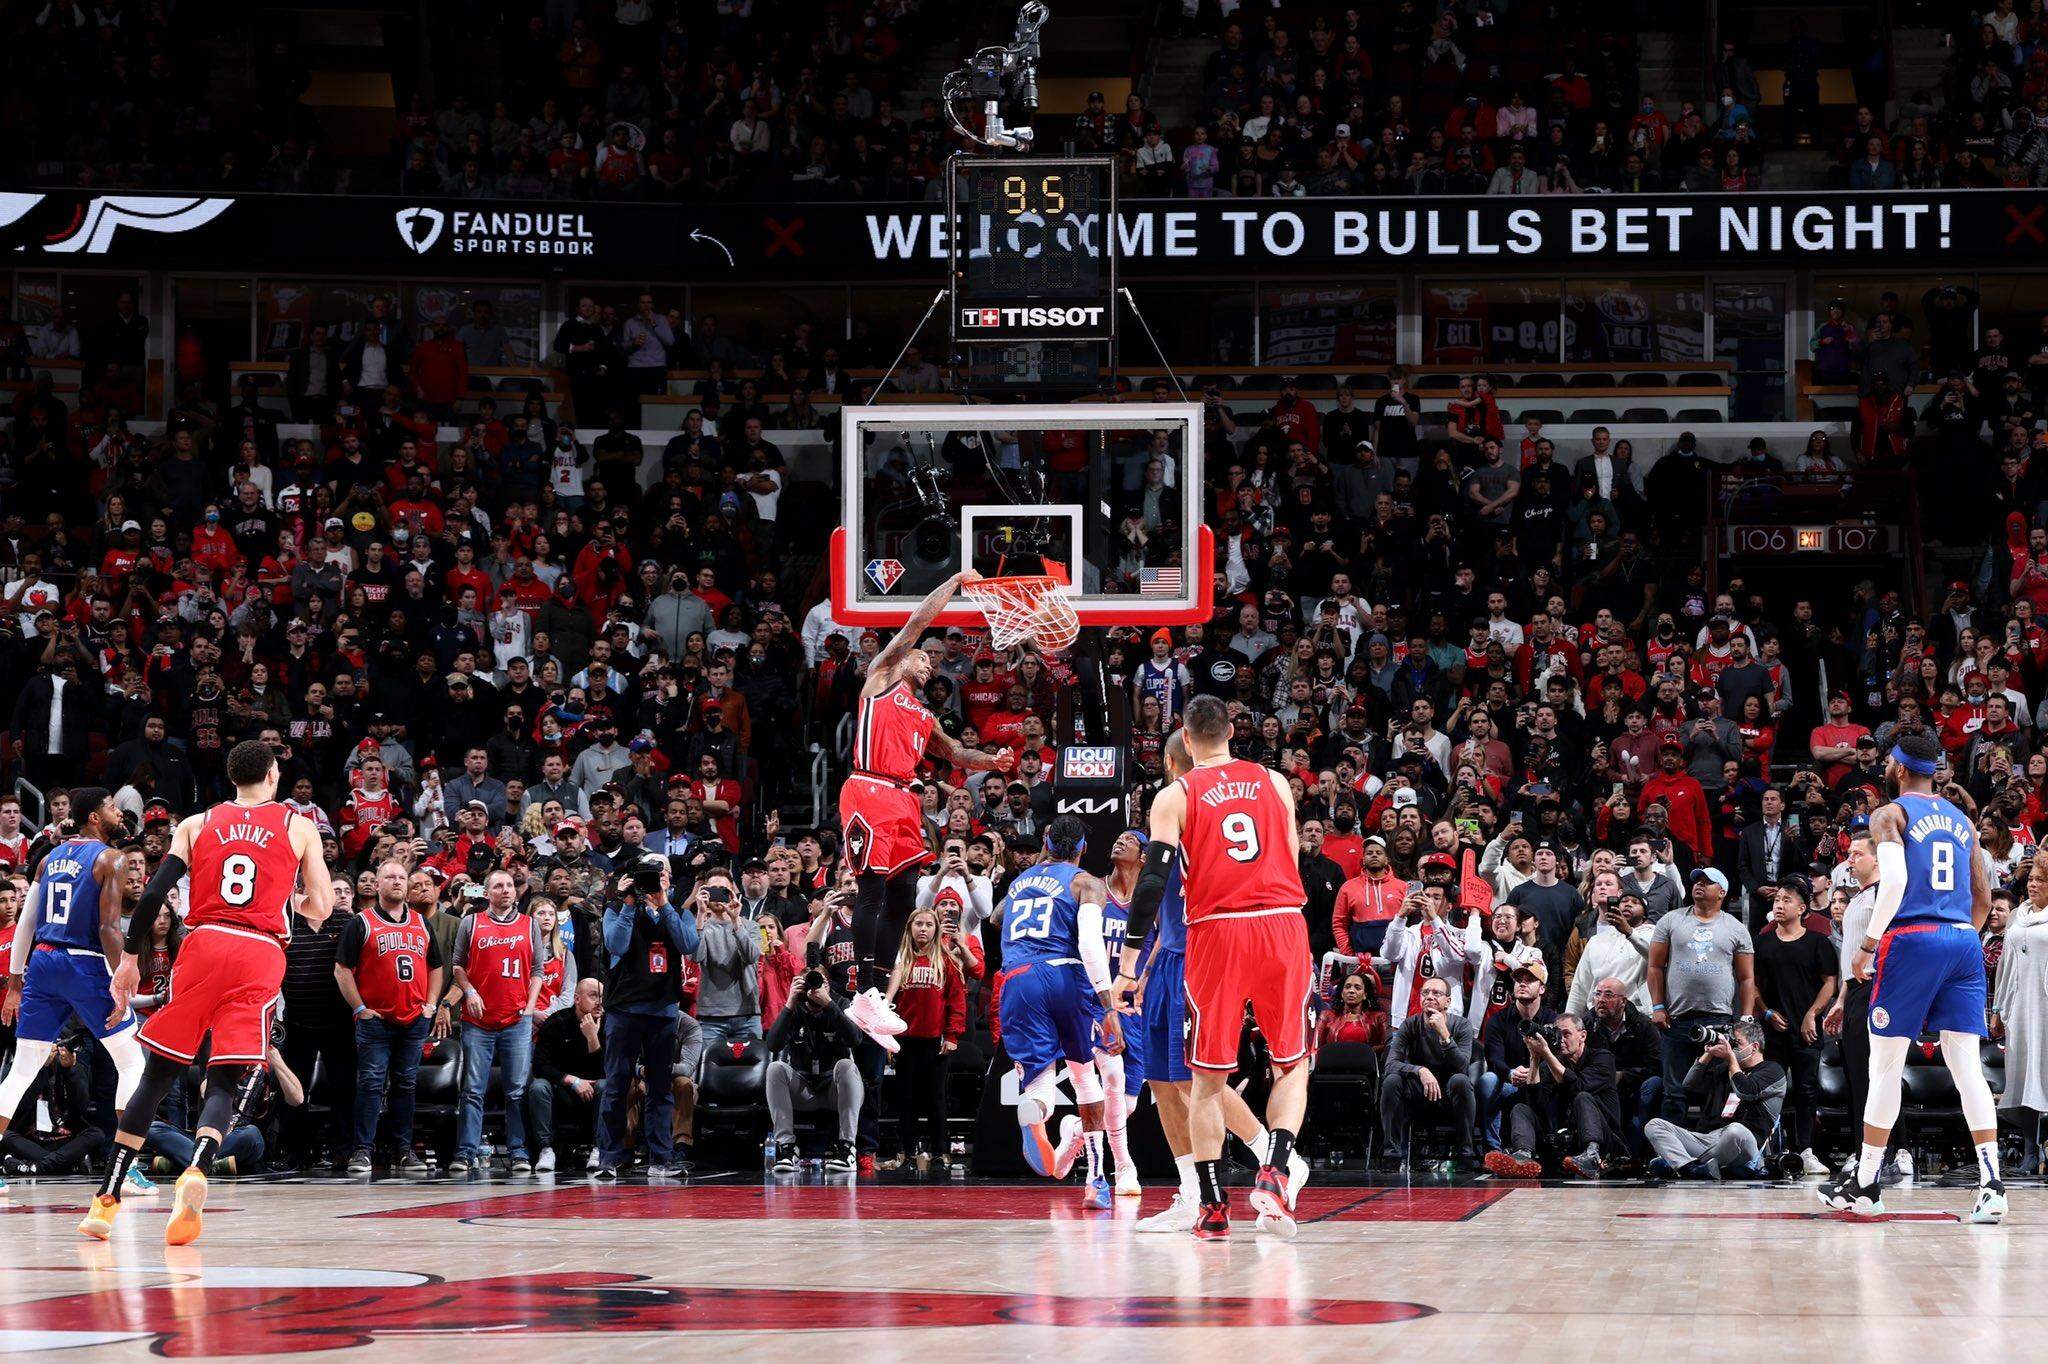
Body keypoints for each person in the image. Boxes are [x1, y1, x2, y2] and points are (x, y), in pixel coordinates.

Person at [87, 739, 336, 1244]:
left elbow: (155, 891)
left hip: (203, 944)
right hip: (259, 951)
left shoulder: (196, 823)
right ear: (272, 777)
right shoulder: (298, 825)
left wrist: (131, 959)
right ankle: (197, 1171)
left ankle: (106, 1201)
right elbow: (324, 907)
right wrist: (289, 904)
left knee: (156, 1077)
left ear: (231, 778)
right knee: (224, 1079)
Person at [1116, 694, 1313, 1241]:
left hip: (1215, 932)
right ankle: (1275, 1167)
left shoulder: (1176, 794)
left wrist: (1129, 963)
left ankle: (1211, 1204)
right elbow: (1291, 856)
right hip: (1280, 921)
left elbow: (1152, 882)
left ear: (1183, 733)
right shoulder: (1274, 781)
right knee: (1290, 1065)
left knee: (1203, 1082)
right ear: (1232, 727)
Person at [1819, 730, 2005, 1223]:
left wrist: (1867, 944)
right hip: (1963, 938)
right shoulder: (1964, 820)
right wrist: (1957, 939)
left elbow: (1896, 881)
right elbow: (1983, 895)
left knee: (1885, 1064)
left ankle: (1867, 1182)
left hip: (1911, 937)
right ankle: (1992, 1185)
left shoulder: (1890, 813)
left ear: (1898, 768)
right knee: (1966, 1065)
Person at [837, 571, 1010, 1042]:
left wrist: (992, 758)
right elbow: (917, 622)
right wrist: (955, 581)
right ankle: (865, 992)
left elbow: (956, 754)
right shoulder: (882, 678)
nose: (929, 664)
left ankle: (880, 998)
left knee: (903, 892)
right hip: (869, 786)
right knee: (871, 891)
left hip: (904, 799)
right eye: (923, 657)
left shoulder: (924, 713)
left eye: (933, 663)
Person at [0, 789, 150, 1198]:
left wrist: (15, 983)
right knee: (132, 1062)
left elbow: (27, 923)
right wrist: (122, 976)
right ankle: (127, 1168)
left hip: (44, 962)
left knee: (22, 1069)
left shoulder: (49, 859)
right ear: (95, 818)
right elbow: (107, 929)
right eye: (111, 806)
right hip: (83, 962)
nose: (119, 811)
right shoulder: (111, 858)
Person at [996, 815, 1122, 1210]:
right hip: (1065, 975)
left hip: (1018, 977)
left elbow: (996, 917)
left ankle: (1037, 1108)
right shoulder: (1087, 882)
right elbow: (1089, 945)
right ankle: (1097, 1181)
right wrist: (1107, 1004)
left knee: (1039, 1080)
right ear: (1083, 848)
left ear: (1047, 840)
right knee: (1086, 1077)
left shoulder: (1019, 882)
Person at [332, 858, 443, 1176]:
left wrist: (431, 1004)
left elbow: (436, 966)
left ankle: (403, 1150)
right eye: (389, 876)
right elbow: (342, 970)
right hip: (375, 1021)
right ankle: (363, 1150)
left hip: (414, 1019)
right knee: (370, 1083)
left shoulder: (422, 923)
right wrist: (359, 1008)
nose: (396, 881)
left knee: (406, 1085)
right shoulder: (361, 922)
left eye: (401, 877)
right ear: (377, 883)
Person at [594, 853, 699, 1179]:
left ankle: (660, 1160)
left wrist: (665, 904)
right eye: (648, 876)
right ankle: (608, 1158)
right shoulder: (615, 909)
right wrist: (627, 902)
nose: (655, 881)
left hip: (663, 1011)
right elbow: (616, 945)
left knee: (660, 1088)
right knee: (616, 1085)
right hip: (624, 1010)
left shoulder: (679, 913)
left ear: (670, 880)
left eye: (661, 874)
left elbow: (688, 945)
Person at [1820, 831, 1909, 1184]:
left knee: (1883, 1073)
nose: (1850, 860)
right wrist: (1841, 1000)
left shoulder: (1887, 895)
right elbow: (1851, 954)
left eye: (1857, 854)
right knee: (1860, 1075)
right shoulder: (1856, 899)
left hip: (1881, 988)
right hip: (1855, 991)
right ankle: (1864, 1151)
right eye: (1849, 854)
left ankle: (1899, 1151)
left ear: (1877, 859)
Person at [1646, 867, 1758, 1120]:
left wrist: (1747, 1018)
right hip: (1677, 1018)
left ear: (1722, 892)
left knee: (1717, 1090)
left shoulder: (1736, 928)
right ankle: (1671, 1151)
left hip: (1719, 1020)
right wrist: (1657, 1006)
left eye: (1707, 882)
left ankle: (1713, 1148)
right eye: (1697, 880)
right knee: (1674, 1091)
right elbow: (1654, 966)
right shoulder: (1671, 920)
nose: (1699, 885)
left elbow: (1746, 978)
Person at [449, 869, 541, 1174]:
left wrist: (530, 1005)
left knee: (516, 1090)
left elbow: (538, 970)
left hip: (516, 1019)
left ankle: (518, 1151)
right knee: (472, 1090)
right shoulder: (471, 923)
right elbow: (457, 965)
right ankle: (466, 1152)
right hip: (478, 1021)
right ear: (487, 893)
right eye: (498, 886)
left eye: (509, 885)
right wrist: (469, 991)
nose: (506, 890)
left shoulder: (530, 925)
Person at [1752, 877, 1837, 1175]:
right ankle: (1764, 1149)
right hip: (1772, 1030)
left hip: (1806, 1029)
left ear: (1802, 908)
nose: (1779, 904)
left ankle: (1806, 1150)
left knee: (1806, 1089)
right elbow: (1753, 985)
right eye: (1777, 900)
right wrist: (1765, 1012)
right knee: (1770, 1089)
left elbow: (1830, 982)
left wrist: (1812, 1013)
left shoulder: (1818, 942)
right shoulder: (1762, 942)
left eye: (1786, 900)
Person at [1644, 1019, 1786, 1179]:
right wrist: (1708, 1053)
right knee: (1654, 1125)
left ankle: (1679, 1163)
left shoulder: (1773, 1070)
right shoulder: (1724, 1069)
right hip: (1712, 1138)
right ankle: (1690, 1169)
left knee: (1735, 1131)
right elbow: (1688, 1084)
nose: (1731, 1048)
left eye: (1736, 1043)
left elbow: (1745, 1091)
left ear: (1754, 1047)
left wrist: (1731, 1058)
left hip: (1746, 1140)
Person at [1487, 1013, 1618, 1178]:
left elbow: (1577, 1087)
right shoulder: (1552, 1062)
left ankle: (1592, 1156)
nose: (1561, 1039)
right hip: (1564, 1139)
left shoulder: (1602, 1057)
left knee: (1582, 1097)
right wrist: (1534, 1056)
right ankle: (1522, 1157)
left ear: (1582, 1035)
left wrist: (1547, 1054)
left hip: (1603, 1139)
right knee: (1521, 1109)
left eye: (1567, 1034)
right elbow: (1535, 1104)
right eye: (1558, 1034)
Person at [765, 967, 865, 1173]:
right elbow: (773, 1044)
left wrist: (828, 1004)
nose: (812, 990)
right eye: (807, 984)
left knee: (846, 1065)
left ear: (827, 986)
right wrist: (789, 1003)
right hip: (805, 1089)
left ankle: (847, 1149)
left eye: (818, 983)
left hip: (834, 1090)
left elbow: (855, 1039)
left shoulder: (840, 1004)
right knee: (775, 1068)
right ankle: (786, 1149)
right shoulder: (796, 1008)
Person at [1379, 976, 1478, 1172]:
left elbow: (1462, 1067)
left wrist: (1444, 1035)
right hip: (1419, 1092)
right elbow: (1390, 1064)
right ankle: (1391, 1155)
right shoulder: (1410, 1025)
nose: (1430, 997)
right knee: (1391, 1081)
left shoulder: (1462, 1026)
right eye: (1426, 993)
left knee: (1460, 1080)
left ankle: (1465, 1155)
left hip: (1449, 1093)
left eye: (1437, 993)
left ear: (1448, 1002)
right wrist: (1419, 1070)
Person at [528, 978, 606, 1173]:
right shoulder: (557, 1022)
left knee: (606, 1086)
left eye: (602, 997)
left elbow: (610, 1070)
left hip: (595, 1091)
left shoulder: (610, 1024)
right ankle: (546, 1150)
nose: (599, 1002)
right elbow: (539, 1065)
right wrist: (571, 1080)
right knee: (538, 1087)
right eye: (593, 995)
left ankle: (599, 1149)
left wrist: (593, 1039)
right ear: (577, 999)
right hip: (563, 1090)